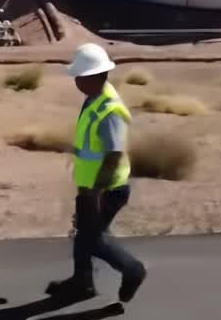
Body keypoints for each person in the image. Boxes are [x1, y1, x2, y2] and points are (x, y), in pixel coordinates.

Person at [46, 43, 147, 304]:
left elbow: (113, 154)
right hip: (91, 184)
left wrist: (95, 192)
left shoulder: (109, 110)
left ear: (94, 77)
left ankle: (132, 269)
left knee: (94, 239)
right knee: (85, 233)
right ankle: (82, 283)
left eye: (80, 76)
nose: (76, 81)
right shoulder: (94, 98)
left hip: (106, 188)